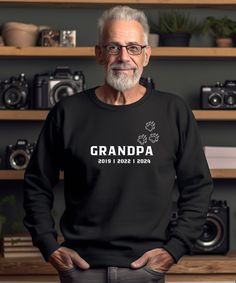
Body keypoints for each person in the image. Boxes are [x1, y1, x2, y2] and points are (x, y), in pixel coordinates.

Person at [23, 5, 213, 283]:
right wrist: (49, 246)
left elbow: (198, 186)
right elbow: (36, 183)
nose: (124, 57)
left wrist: (174, 249)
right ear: (99, 54)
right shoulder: (68, 112)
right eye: (114, 47)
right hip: (81, 270)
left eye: (134, 47)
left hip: (146, 269)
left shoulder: (173, 111)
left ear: (146, 55)